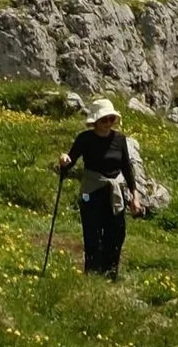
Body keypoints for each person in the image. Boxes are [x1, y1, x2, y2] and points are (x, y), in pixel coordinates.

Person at [57, 100, 142, 277]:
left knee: (117, 232)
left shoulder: (120, 139)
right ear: (95, 121)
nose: (108, 124)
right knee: (92, 232)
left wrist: (135, 196)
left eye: (111, 119)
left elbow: (126, 168)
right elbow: (70, 162)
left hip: (115, 193)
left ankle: (110, 272)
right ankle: (93, 273)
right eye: (104, 120)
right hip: (91, 192)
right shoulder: (84, 139)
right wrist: (64, 160)